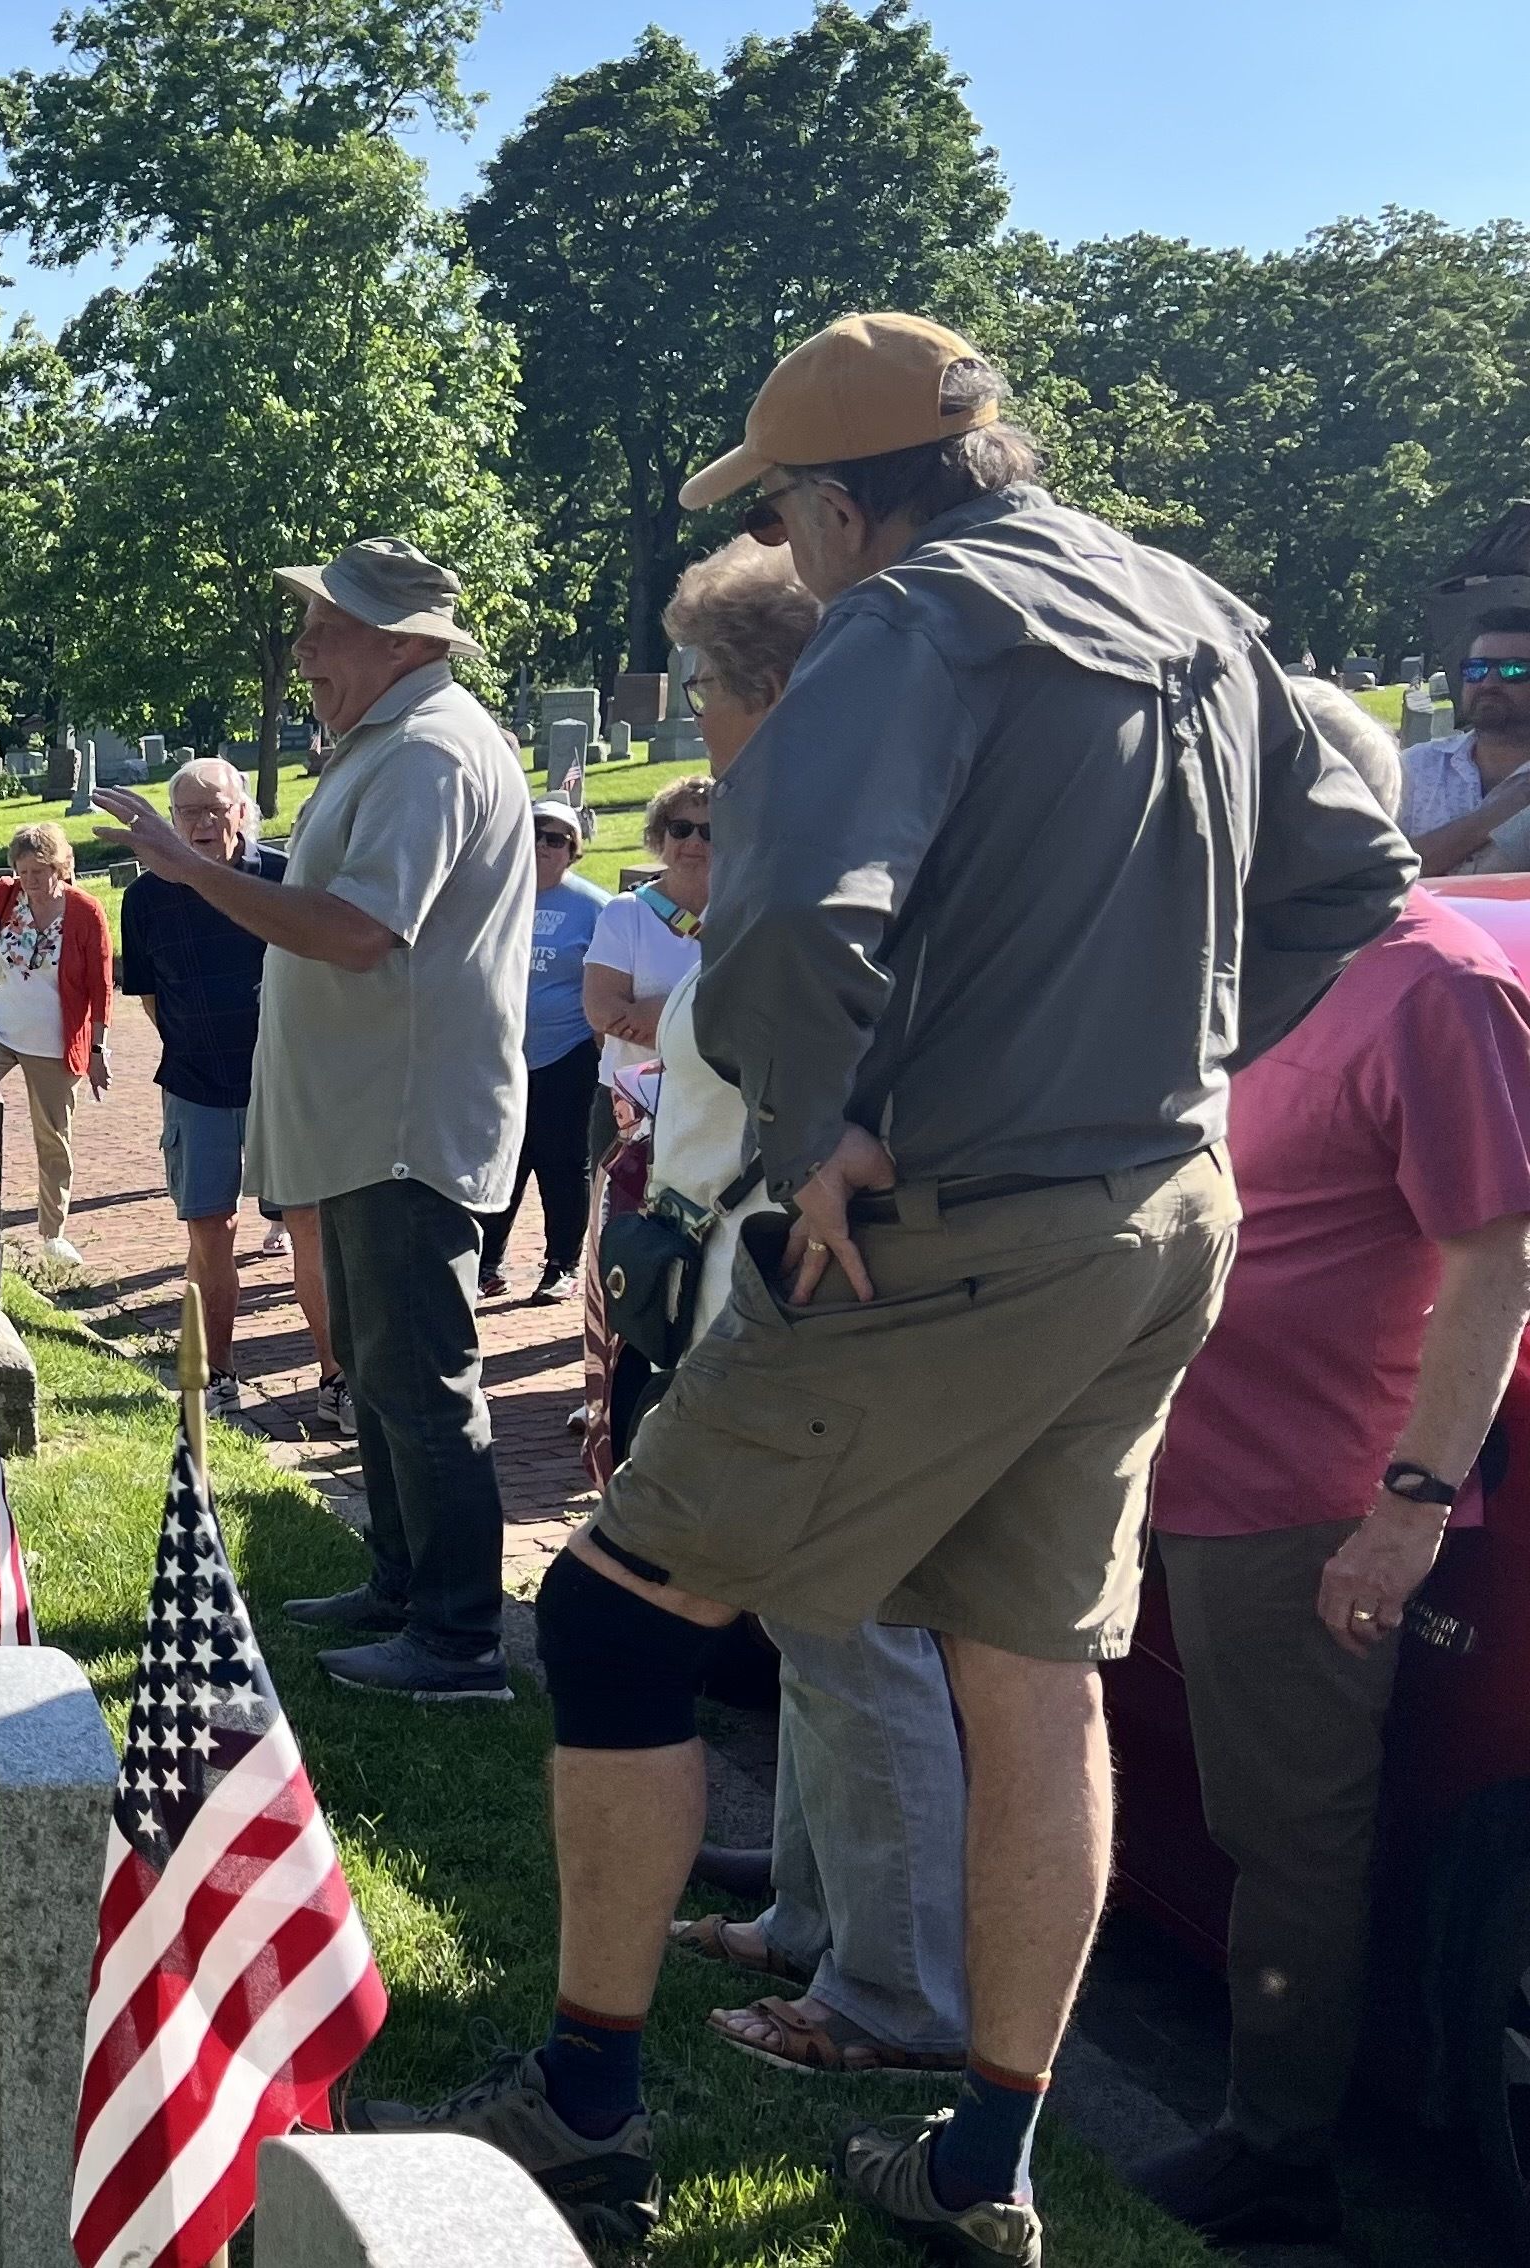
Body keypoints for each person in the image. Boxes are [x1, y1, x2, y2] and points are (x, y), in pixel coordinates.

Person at [346, 314, 1411, 2266]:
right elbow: (1356, 881)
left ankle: (585, 2112)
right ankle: (984, 2163)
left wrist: (829, 1120)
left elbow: (780, 922)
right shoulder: (1190, 603)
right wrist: (1162, 1062)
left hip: (950, 1219)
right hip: (1162, 1209)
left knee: (611, 1618)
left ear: (842, 507)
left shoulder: (903, 622)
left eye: (781, 518)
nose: (784, 554)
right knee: (1030, 1671)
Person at [1124, 678, 1530, 2247]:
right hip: (1182, 1459)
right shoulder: (1257, 967)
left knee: (1289, 1836)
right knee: (1228, 1807)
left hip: (1308, 1494)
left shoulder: (1436, 986)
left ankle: (1277, 2149)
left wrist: (1408, 1510)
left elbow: (1493, 1263)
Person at [634, 538, 973, 2088]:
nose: (692, 710)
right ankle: (812, 1920)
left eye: (705, 680)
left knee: (855, 1631)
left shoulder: (853, 844)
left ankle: (899, 1995)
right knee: (805, 1626)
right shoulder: (795, 829)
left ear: (772, 688)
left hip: (833, 1283)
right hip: (756, 1273)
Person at [95, 536, 532, 1704]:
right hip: (365, 1118)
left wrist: (190, 874)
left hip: (402, 1122)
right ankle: (401, 1586)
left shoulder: (429, 752)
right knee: (382, 1368)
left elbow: (357, 930)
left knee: (420, 1375)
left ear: (399, 643)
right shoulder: (393, 743)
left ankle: (457, 1641)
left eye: (324, 628)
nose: (302, 650)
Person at [116, 758, 331, 1417]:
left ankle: (337, 1379)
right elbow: (152, 997)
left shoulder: (286, 877)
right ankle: (218, 1376)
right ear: (172, 820)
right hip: (196, 1083)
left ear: (243, 811)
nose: (203, 823)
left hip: (285, 1084)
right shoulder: (145, 897)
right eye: (189, 812)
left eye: (216, 808)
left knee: (309, 1226)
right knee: (211, 1231)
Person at [0, 822, 110, 1269]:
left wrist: (97, 1050)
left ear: (61, 867)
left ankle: (53, 1235)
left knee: (53, 1138)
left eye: (40, 871)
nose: (30, 880)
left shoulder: (85, 911)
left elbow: (100, 986)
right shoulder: (2, 896)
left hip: (54, 1044)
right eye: (23, 871)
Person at [484, 800, 608, 1301]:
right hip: (500, 1051)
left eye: (556, 839)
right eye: (535, 833)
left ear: (573, 850)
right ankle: (487, 1264)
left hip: (567, 1053)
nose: (542, 846)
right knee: (501, 1158)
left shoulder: (595, 908)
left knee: (563, 1162)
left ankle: (562, 1264)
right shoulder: (495, 896)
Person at [581, 778, 713, 1145]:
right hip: (628, 1102)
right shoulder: (624, 913)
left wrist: (660, 1017)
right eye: (681, 829)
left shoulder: (745, 914)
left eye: (709, 832)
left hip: (714, 1105)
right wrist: (700, 1024)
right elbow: (601, 1012)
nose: (694, 842)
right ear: (660, 835)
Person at [1391, 607, 1530, 873]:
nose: (1488, 683)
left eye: (1513, 669)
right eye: (1476, 669)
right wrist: (1494, 815)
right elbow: (1375, 872)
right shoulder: (1414, 769)